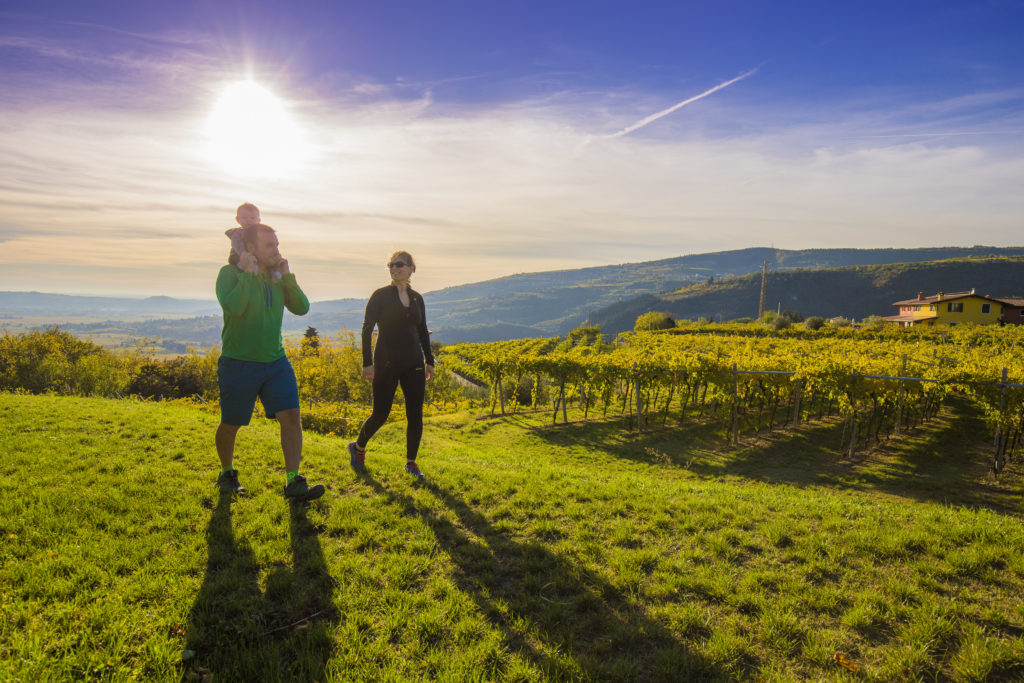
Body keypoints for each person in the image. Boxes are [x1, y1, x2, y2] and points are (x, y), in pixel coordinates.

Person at [214, 220, 324, 501]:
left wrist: (287, 276)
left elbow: (301, 308)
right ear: (250, 248)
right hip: (238, 363)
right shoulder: (229, 274)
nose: (276, 250)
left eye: (277, 244)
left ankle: (293, 482)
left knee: (291, 416)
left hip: (276, 362)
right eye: (269, 245)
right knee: (231, 423)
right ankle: (227, 473)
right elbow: (235, 308)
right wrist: (248, 274)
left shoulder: (277, 276)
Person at [348, 250, 434, 478]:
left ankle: (411, 463)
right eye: (391, 265)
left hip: (414, 362)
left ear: (411, 268)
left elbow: (423, 330)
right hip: (385, 362)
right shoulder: (380, 296)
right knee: (381, 413)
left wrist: (429, 360)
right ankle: (358, 447)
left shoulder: (417, 298)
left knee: (415, 414)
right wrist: (367, 363)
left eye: (399, 264)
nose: (394, 268)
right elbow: (367, 330)